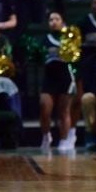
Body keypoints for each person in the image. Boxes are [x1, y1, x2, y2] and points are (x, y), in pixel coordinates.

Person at [38, 12, 75, 151]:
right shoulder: (44, 40)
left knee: (64, 112)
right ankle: (46, 136)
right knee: (44, 108)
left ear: (62, 22)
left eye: (56, 19)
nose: (53, 22)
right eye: (51, 19)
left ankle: (64, 140)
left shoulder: (69, 38)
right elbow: (39, 57)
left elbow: (76, 58)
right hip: (49, 77)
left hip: (65, 76)